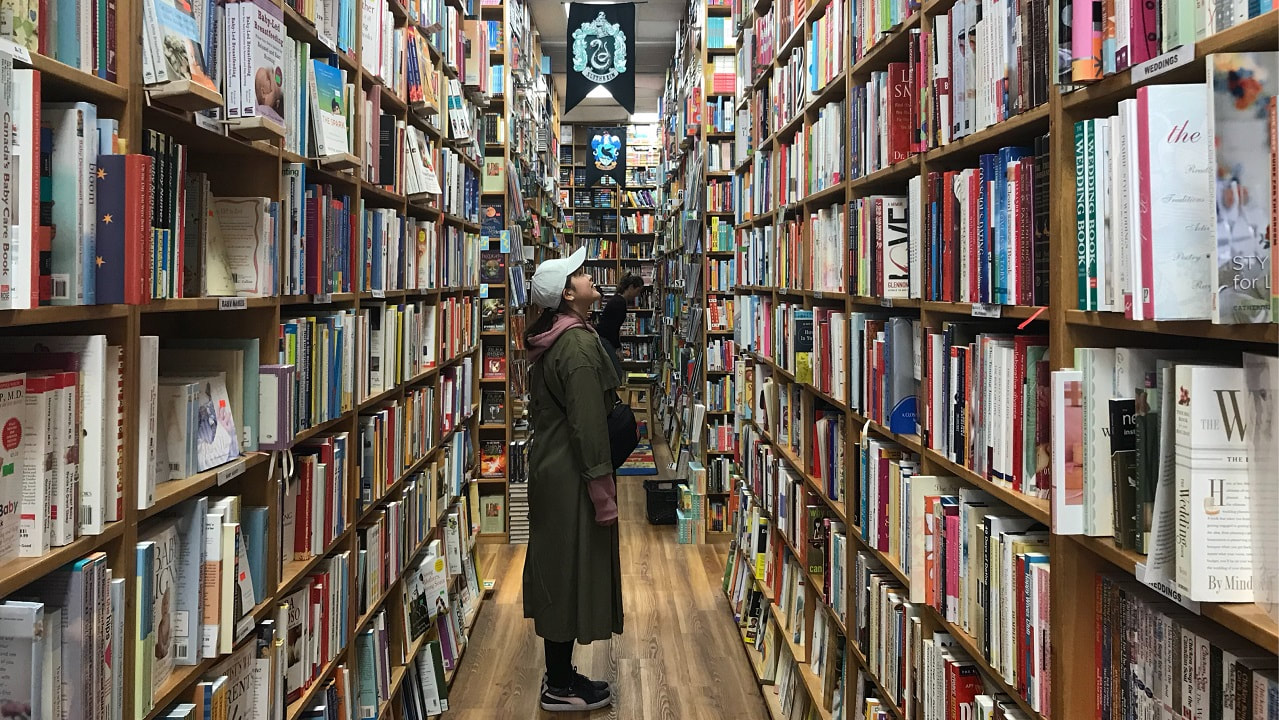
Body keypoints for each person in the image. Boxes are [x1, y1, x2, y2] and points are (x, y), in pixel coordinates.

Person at [523, 246, 623, 713]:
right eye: (581, 275)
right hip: (572, 477)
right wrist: (603, 492)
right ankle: (559, 687)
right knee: (566, 574)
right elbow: (587, 423)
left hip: (554, 469)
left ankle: (560, 673)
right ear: (567, 293)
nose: (590, 278)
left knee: (556, 572)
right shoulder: (578, 345)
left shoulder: (559, 337)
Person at [594, 273, 645, 377]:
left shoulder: (618, 299)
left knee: (612, 371)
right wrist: (617, 349)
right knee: (616, 373)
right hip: (604, 339)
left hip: (604, 338)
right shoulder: (619, 303)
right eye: (638, 290)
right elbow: (613, 328)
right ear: (631, 287)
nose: (638, 294)